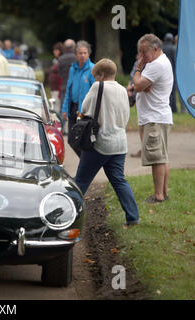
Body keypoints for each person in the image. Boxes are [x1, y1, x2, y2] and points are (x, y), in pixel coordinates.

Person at [74, 58, 140, 228]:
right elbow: (125, 115)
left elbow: (85, 108)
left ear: (101, 75)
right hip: (119, 142)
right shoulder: (122, 90)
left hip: (100, 142)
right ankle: (133, 217)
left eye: (96, 76)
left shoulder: (98, 87)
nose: (95, 79)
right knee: (119, 180)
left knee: (80, 181)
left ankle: (67, 214)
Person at [133, 34, 173, 203]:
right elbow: (144, 87)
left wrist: (137, 70)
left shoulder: (156, 65)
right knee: (162, 157)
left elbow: (138, 86)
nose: (141, 57)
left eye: (143, 52)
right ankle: (163, 193)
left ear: (155, 49)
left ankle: (158, 196)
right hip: (158, 116)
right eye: (139, 52)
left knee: (157, 158)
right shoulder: (158, 62)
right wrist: (141, 82)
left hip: (154, 117)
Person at [62, 40, 95, 157]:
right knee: (71, 140)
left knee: (82, 140)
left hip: (85, 109)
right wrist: (65, 109)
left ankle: (86, 164)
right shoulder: (73, 69)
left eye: (85, 53)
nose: (82, 55)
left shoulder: (93, 68)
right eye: (80, 53)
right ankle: (86, 162)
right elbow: (69, 90)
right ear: (76, 54)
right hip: (73, 108)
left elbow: (95, 91)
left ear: (89, 54)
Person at [58, 39, 77, 133]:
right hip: (76, 86)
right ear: (73, 47)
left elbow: (60, 74)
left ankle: (60, 129)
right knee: (76, 107)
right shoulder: (76, 58)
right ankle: (75, 129)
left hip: (65, 85)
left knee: (63, 108)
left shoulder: (61, 59)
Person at [162, 33, 177, 113]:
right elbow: (175, 61)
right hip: (172, 72)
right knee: (172, 91)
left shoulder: (162, 48)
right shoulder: (173, 48)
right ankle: (174, 109)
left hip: (163, 71)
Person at [48, 42, 64, 113]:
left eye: (55, 50)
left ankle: (57, 123)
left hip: (57, 88)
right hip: (54, 88)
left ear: (59, 51)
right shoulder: (57, 61)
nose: (54, 52)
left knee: (56, 107)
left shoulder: (61, 61)